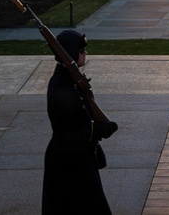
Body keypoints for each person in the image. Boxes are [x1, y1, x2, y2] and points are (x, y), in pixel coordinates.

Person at [41, 30, 118, 215]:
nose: (85, 54)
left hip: (76, 160)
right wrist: (99, 129)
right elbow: (69, 134)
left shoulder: (69, 80)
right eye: (81, 50)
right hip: (70, 165)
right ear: (70, 53)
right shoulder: (62, 89)